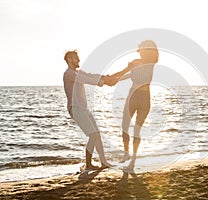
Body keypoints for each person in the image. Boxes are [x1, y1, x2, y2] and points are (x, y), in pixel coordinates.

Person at [63, 50, 117, 170]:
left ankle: (104, 162)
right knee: (93, 135)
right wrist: (103, 82)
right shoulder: (69, 74)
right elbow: (86, 80)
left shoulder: (77, 72)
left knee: (97, 134)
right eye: (76, 58)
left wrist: (105, 77)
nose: (79, 60)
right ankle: (88, 164)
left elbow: (91, 76)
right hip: (75, 108)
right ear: (70, 60)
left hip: (83, 108)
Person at [110, 40, 159, 171]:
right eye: (140, 51)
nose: (140, 53)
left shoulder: (150, 63)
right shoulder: (136, 63)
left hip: (144, 99)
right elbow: (126, 74)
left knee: (137, 130)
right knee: (124, 125)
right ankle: (126, 154)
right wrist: (112, 79)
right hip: (132, 97)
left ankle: (133, 161)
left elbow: (154, 55)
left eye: (142, 51)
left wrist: (129, 68)